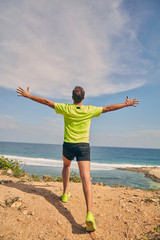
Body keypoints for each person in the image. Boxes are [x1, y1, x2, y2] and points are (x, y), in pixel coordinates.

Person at [16, 86, 139, 232]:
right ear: (84, 99)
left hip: (68, 145)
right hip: (83, 147)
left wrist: (28, 96)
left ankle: (65, 194)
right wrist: (126, 104)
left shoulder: (66, 108)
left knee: (66, 166)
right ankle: (89, 214)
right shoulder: (89, 110)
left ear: (72, 97)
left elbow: (46, 101)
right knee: (86, 177)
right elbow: (108, 107)